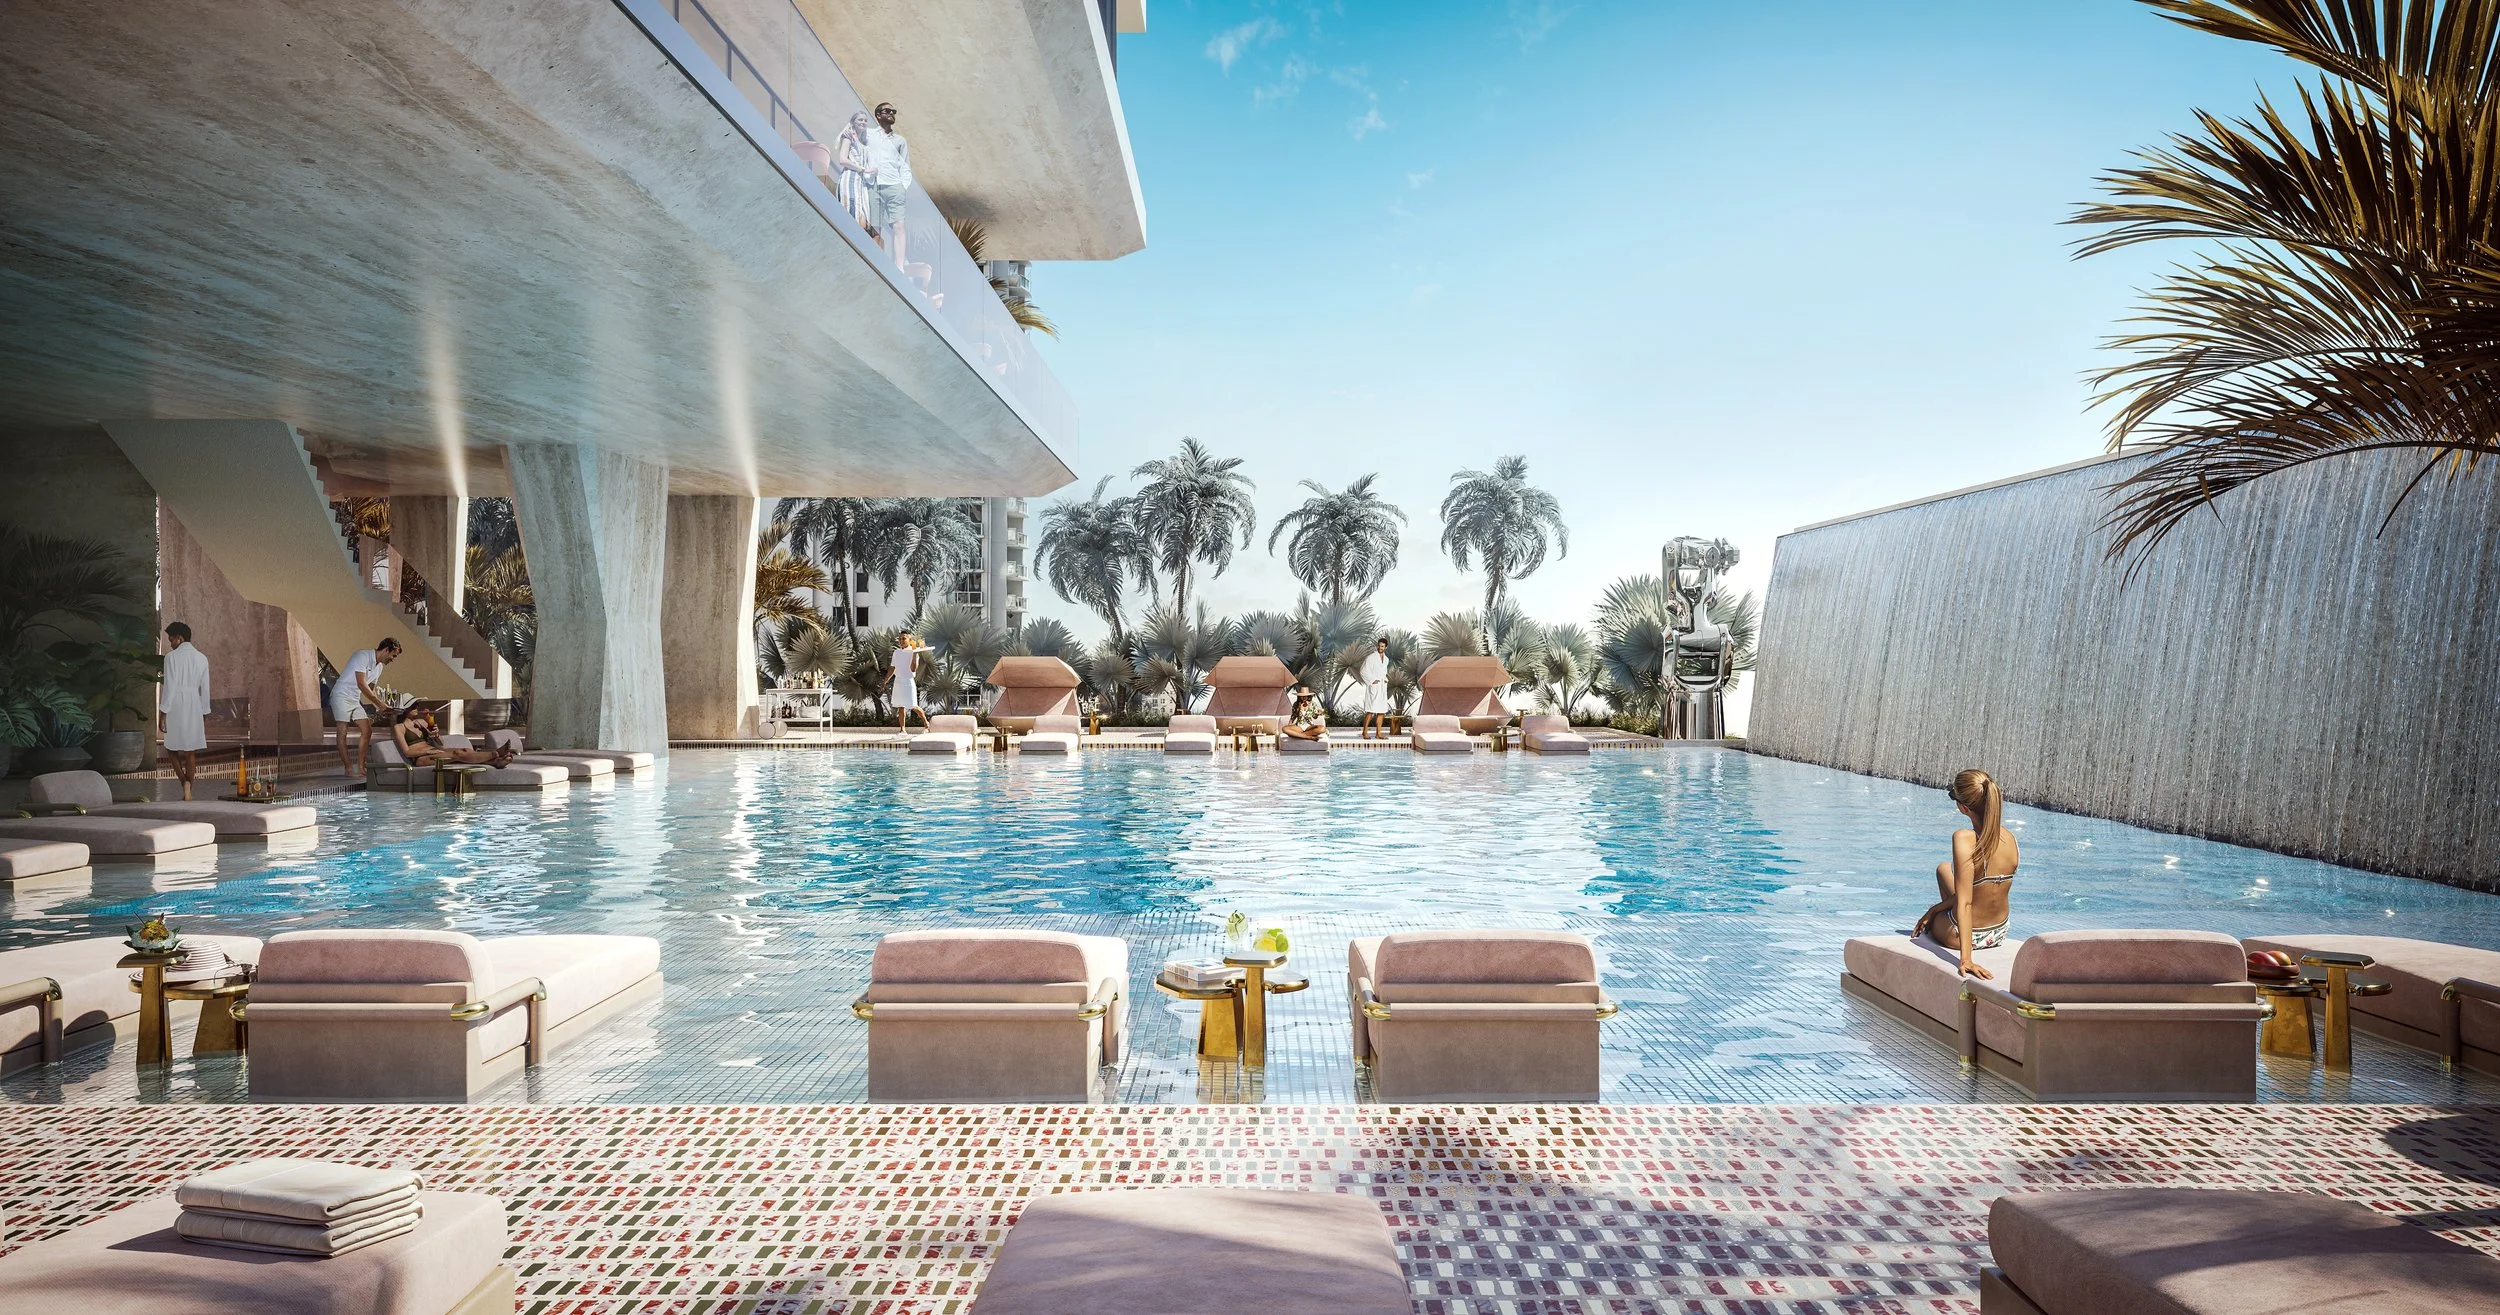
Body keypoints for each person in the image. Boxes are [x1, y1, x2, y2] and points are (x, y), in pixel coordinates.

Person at [1912, 768, 2019, 980]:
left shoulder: (1964, 838)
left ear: (1963, 808)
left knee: (1931, 925)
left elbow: (1966, 903)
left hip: (1965, 936)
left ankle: (1948, 927)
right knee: (1944, 869)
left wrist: (1966, 959)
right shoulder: (2010, 838)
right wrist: (1936, 908)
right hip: (1999, 932)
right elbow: (1977, 893)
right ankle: (1940, 912)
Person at [330, 636, 401, 775]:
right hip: (341, 695)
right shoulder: (362, 656)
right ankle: (348, 769)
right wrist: (380, 704)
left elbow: (371, 689)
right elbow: (362, 684)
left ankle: (361, 767)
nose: (393, 659)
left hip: (354, 698)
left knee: (367, 730)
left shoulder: (379, 667)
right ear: (386, 650)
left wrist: (381, 706)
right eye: (393, 656)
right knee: (342, 731)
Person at [160, 622, 210, 800]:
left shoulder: (171, 658)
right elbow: (205, 689)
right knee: (191, 750)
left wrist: (163, 713)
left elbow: (170, 687)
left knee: (171, 748)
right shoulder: (202, 658)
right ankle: (189, 787)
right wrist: (204, 713)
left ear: (180, 638)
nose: (170, 643)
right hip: (194, 704)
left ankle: (184, 782)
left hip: (176, 705)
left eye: (171, 639)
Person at [860, 101, 912, 266]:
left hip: (894, 187)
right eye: (887, 111)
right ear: (878, 115)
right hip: (873, 186)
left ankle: (900, 267)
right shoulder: (868, 135)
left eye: (893, 111)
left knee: (899, 227)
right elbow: (851, 139)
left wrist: (903, 187)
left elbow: (905, 166)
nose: (891, 113)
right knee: (875, 228)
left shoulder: (900, 141)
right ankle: (877, 264)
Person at [389, 706, 516, 769]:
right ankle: (495, 755)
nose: (416, 707)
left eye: (416, 704)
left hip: (434, 750)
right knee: (457, 754)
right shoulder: (399, 727)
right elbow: (407, 752)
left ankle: (495, 763)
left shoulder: (422, 722)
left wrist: (436, 735)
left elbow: (441, 742)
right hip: (421, 758)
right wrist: (427, 751)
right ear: (405, 708)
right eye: (413, 705)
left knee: (465, 751)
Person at [834, 110, 874, 229]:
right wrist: (861, 169)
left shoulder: (863, 142)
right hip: (850, 177)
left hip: (860, 182)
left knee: (863, 216)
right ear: (853, 122)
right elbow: (842, 159)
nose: (863, 122)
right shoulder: (848, 137)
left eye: (865, 120)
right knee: (851, 209)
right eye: (860, 119)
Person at [889, 632, 930, 733]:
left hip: (908, 681)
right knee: (900, 706)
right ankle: (902, 730)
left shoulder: (913, 652)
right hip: (898, 681)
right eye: (900, 639)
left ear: (909, 640)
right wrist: (885, 681)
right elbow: (892, 668)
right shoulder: (896, 652)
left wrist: (915, 653)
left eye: (904, 639)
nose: (901, 641)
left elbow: (913, 669)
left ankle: (926, 723)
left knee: (913, 706)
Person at [1358, 636, 1391, 739]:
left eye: (1382, 646)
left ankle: (1378, 733)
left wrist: (1385, 679)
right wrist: (1372, 680)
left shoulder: (1386, 659)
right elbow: (1363, 670)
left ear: (1386, 647)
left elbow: (1383, 672)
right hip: (1374, 686)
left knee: (1381, 710)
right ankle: (1365, 732)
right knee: (1370, 710)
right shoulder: (1371, 657)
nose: (1380, 648)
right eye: (1379, 646)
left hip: (1382, 687)